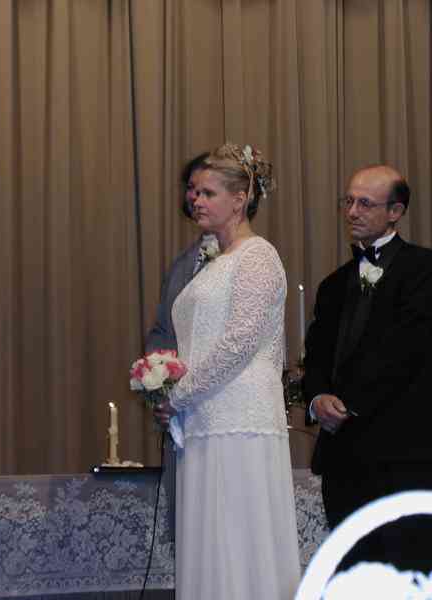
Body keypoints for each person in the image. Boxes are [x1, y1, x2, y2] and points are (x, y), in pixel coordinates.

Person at [153, 143, 300, 599]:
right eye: (194, 192)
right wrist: (171, 389)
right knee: (211, 540)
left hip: (240, 421)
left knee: (239, 535)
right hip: (206, 420)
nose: (195, 200)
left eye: (207, 192)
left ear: (240, 199)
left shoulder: (258, 256)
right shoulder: (213, 262)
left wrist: (178, 395)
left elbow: (239, 343)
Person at [303, 165, 432, 572]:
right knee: (353, 571)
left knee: (410, 571)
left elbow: (408, 350)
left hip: (402, 450)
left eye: (365, 203)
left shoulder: (425, 267)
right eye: (348, 201)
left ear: (395, 211)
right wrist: (317, 398)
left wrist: (347, 403)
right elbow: (316, 354)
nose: (352, 211)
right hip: (343, 456)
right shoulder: (333, 284)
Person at [145, 151, 216, 353]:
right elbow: (162, 329)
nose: (194, 197)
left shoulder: (245, 256)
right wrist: (157, 365)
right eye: (191, 188)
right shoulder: (181, 263)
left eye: (206, 191)